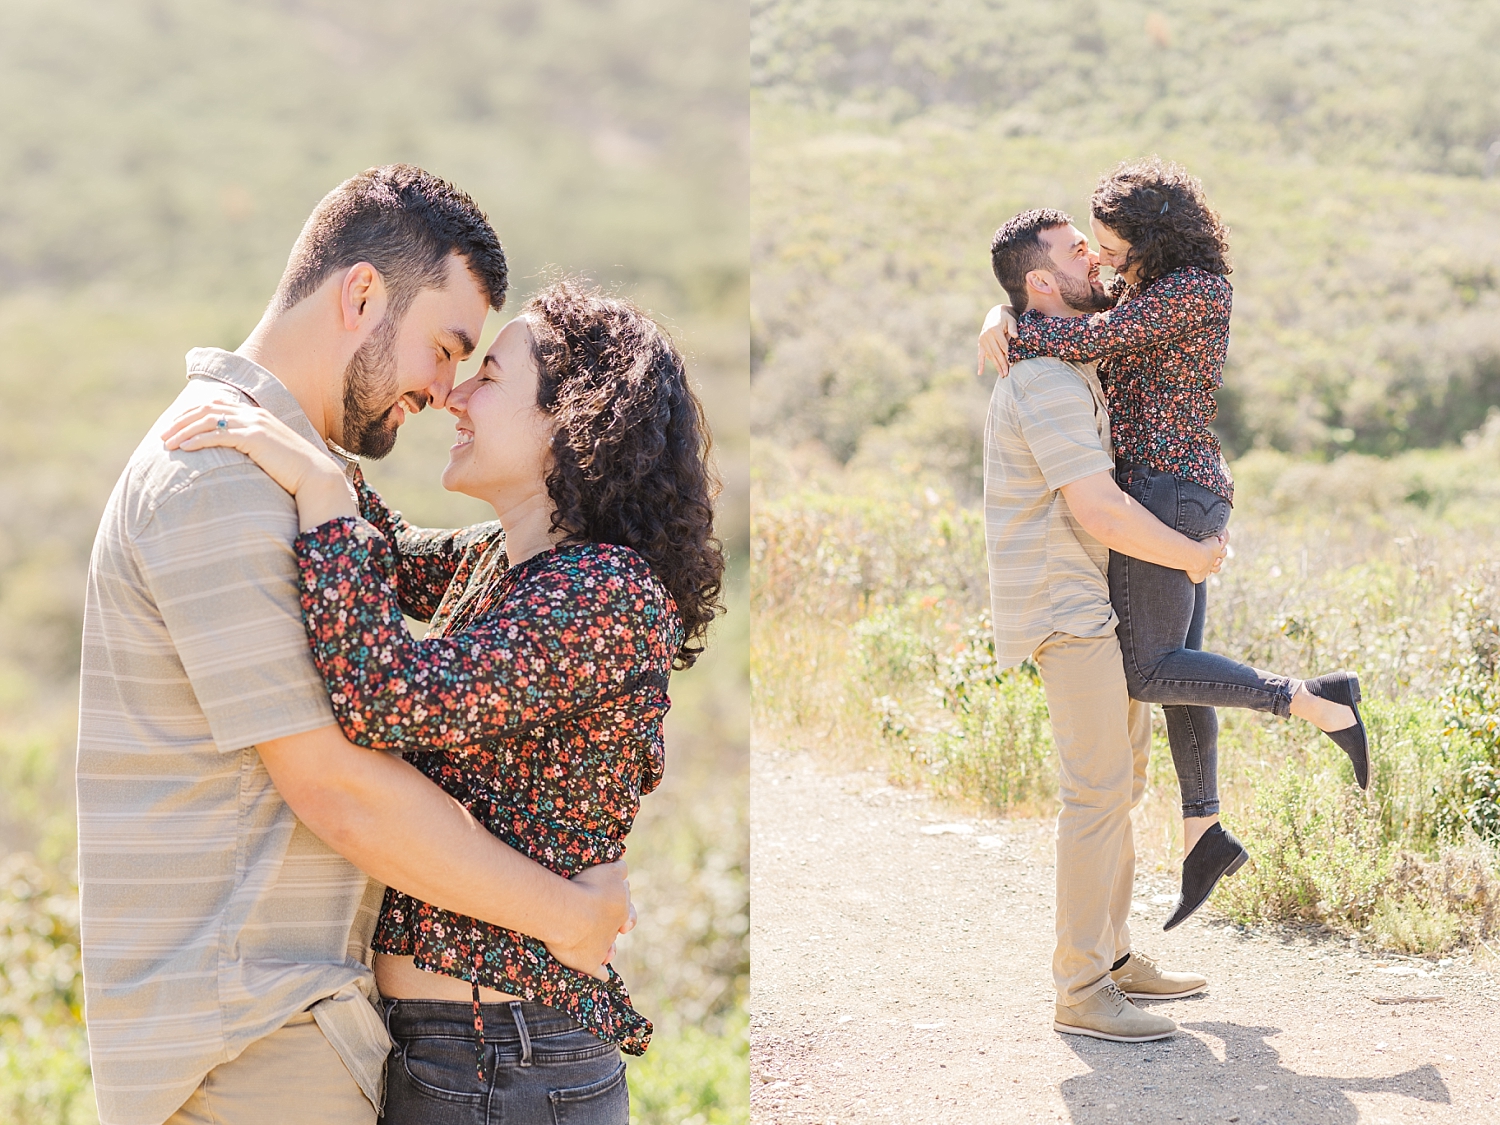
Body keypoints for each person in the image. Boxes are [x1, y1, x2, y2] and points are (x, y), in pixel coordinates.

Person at [77, 166, 633, 1125]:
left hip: (277, 1029)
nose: (447, 389)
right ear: (363, 295)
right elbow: (337, 788)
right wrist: (566, 915)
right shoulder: (219, 481)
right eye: (446, 347)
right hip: (249, 1041)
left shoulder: (286, 475)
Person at [163, 278, 724, 1124]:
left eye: (488, 377)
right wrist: (300, 416)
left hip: (507, 1054)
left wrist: (319, 490)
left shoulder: (606, 594)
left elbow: (387, 698)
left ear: (572, 419)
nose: (454, 395)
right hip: (469, 1046)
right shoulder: (503, 559)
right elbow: (378, 545)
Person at [978, 163, 1367, 929]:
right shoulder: (1144, 289)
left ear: (1145, 233)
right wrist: (1002, 307)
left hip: (1165, 489)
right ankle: (1203, 834)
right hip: (1172, 486)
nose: (1099, 253)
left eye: (1108, 240)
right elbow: (1063, 298)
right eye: (1087, 245)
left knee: (1152, 670)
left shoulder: (1195, 291)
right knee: (1181, 672)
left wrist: (1013, 323)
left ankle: (1316, 700)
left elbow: (1090, 333)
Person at [984, 207, 1228, 1043]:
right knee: (1095, 792)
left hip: (1092, 595)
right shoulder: (1048, 379)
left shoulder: (1066, 352)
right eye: (1075, 251)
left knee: (1119, 783)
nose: (1096, 257)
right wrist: (1192, 557)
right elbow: (1100, 507)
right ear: (1040, 283)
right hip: (1066, 602)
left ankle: (1115, 959)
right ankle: (1081, 988)